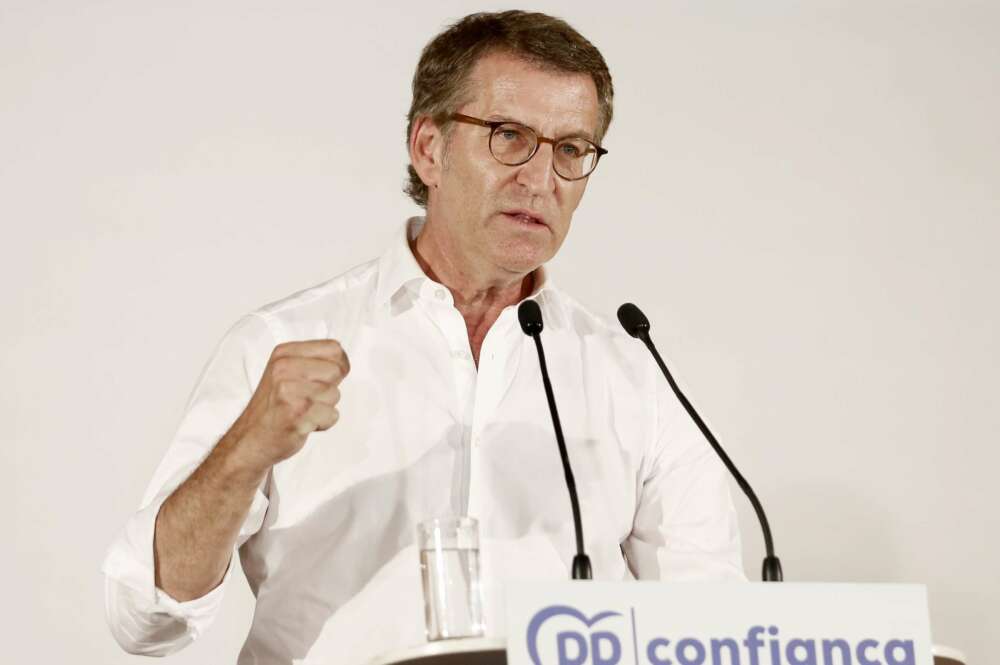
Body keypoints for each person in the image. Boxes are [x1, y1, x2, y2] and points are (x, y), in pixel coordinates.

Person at [102, 10, 744, 664]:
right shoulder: (283, 343)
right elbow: (145, 618)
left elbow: (711, 618)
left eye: (571, 149)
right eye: (508, 136)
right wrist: (246, 449)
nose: (541, 177)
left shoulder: (630, 373)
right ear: (428, 148)